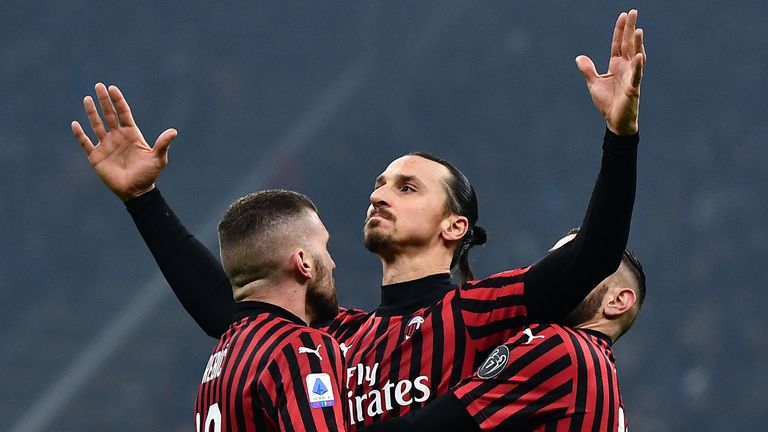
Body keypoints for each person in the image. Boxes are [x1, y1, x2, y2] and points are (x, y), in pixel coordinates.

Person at [72, 10, 646, 430]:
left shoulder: (482, 313)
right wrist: (144, 200)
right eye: (378, 184)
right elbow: (233, 307)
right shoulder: (335, 335)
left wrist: (620, 136)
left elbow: (594, 254)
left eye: (407, 186)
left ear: (455, 227)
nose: (380, 194)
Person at [72, 87, 347, 431]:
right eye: (325, 248)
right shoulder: (301, 348)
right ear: (303, 261)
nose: (333, 264)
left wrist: (143, 200)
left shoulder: (226, 356)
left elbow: (222, 304)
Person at [360, 231, 646, 431]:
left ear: (617, 301)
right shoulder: (600, 376)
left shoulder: (562, 349)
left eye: (577, 268)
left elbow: (434, 425)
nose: (560, 276)